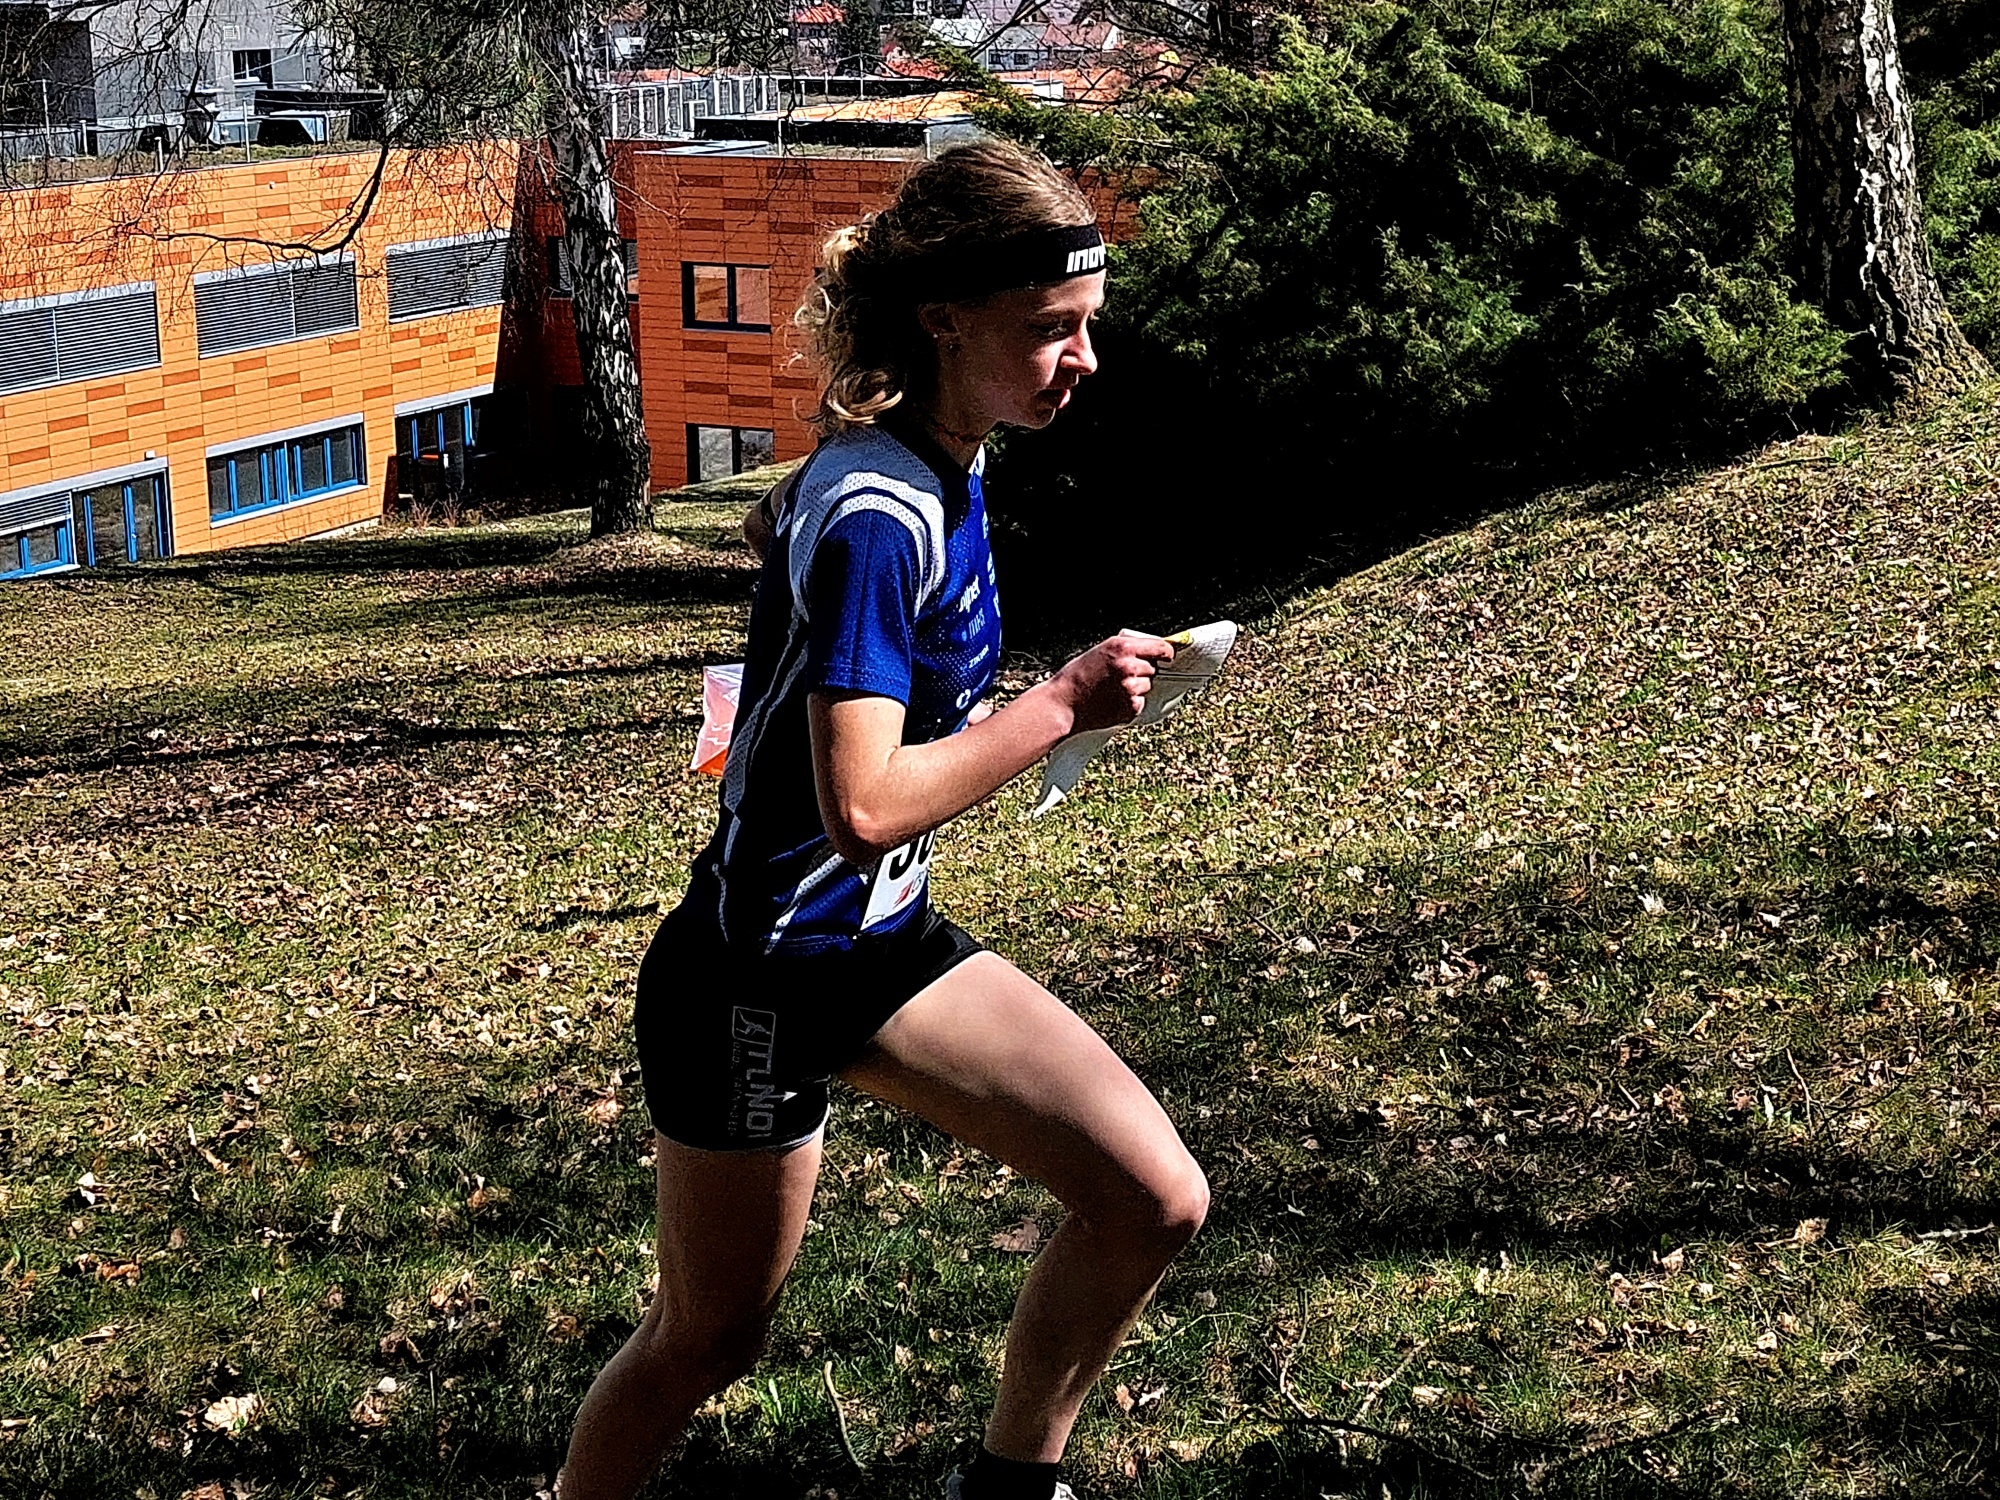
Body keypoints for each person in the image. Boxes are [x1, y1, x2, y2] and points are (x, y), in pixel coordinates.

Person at [558, 138, 1209, 1500]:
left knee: (1153, 1197)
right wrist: (1063, 703)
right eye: (1049, 329)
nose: (1082, 360)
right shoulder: (881, 509)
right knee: (706, 1341)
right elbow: (863, 804)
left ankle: (1009, 1489)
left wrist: (793, 556)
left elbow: (790, 549)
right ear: (944, 321)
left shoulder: (933, 461)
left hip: (878, 945)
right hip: (759, 979)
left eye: (1087, 324)